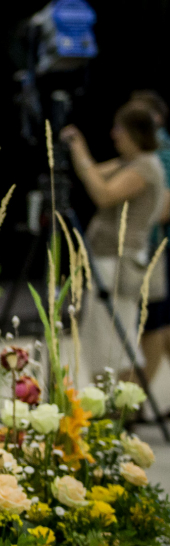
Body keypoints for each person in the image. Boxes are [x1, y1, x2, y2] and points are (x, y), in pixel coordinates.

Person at [62, 102, 167, 379]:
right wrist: (77, 149)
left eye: (119, 128)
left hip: (119, 263)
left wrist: (80, 151)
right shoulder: (132, 163)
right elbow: (92, 173)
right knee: (104, 341)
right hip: (112, 260)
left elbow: (104, 194)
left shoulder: (144, 167)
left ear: (133, 131)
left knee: (111, 344)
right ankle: (118, 409)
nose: (113, 134)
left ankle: (120, 411)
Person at [130, 91, 170, 386]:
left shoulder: (162, 152)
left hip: (158, 248)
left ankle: (138, 401)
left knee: (155, 327)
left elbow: (163, 209)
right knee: (160, 328)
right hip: (154, 248)